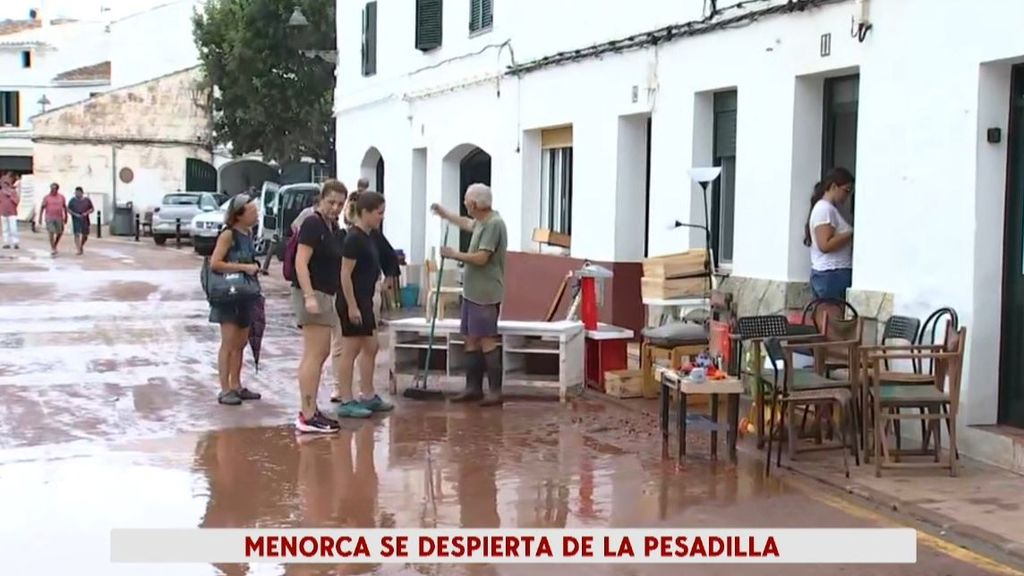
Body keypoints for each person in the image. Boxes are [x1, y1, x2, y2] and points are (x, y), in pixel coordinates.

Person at [431, 183, 508, 406]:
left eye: (466, 200)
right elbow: (467, 224)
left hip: (485, 292)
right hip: (473, 291)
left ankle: (495, 391)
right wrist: (445, 214)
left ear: (474, 203)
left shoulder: (494, 224)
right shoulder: (483, 221)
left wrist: (455, 254)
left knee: (486, 339)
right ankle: (472, 387)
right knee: (470, 338)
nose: (465, 203)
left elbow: (482, 258)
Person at [292, 179, 349, 434]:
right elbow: (300, 262)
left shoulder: (331, 226)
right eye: (331, 202)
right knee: (314, 354)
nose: (335, 207)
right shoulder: (313, 223)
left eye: (340, 203)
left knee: (321, 352)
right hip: (313, 292)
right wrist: (309, 296)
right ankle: (307, 413)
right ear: (321, 199)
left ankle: (311, 409)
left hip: (326, 293)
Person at [335, 191, 390, 418]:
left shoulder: (369, 236)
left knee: (371, 346)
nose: (381, 218)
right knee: (350, 350)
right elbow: (345, 274)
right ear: (365, 212)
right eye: (378, 213)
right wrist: (352, 306)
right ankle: (346, 399)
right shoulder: (353, 238)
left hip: (365, 300)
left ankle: (368, 394)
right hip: (353, 301)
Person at [209, 194, 263, 406]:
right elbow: (215, 263)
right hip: (228, 294)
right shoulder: (228, 235)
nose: (256, 215)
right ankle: (225, 388)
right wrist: (243, 267)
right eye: (252, 211)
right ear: (239, 215)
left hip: (245, 294)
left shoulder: (248, 233)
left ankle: (236, 384)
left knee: (241, 342)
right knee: (229, 342)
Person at [804, 167, 855, 301]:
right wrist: (851, 234)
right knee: (832, 319)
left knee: (831, 318)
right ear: (833, 186)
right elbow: (825, 245)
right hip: (831, 274)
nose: (847, 196)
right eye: (846, 190)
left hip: (832, 274)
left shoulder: (831, 209)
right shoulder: (825, 209)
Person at [38, 183, 67, 256]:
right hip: (49, 217)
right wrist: (40, 217)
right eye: (51, 188)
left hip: (59, 217)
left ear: (57, 189)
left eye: (54, 189)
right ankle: (53, 248)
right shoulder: (47, 197)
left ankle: (55, 244)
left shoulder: (61, 197)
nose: (52, 190)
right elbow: (42, 208)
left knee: (60, 232)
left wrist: (66, 216)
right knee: (51, 232)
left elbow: (64, 207)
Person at [67, 186, 95, 256]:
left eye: (79, 193)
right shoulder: (72, 200)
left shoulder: (87, 200)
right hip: (76, 219)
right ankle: (78, 249)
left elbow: (92, 209)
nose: (77, 194)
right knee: (77, 234)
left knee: (85, 235)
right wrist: (74, 214)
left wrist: (86, 213)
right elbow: (68, 209)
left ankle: (81, 245)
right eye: (76, 193)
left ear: (82, 193)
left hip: (85, 219)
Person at [0, 172, 19, 249]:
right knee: (5, 229)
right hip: (3, 212)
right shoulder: (0, 193)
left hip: (12, 212)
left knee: (13, 228)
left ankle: (15, 242)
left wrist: (10, 196)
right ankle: (6, 242)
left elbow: (17, 201)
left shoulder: (13, 192)